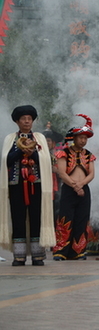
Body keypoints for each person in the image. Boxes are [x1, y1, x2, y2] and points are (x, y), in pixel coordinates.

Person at [0, 105, 55, 266]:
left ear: (32, 121)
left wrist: (33, 153)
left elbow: (46, 160)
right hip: (16, 184)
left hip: (36, 184)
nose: (26, 121)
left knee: (36, 216)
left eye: (29, 119)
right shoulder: (10, 139)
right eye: (23, 119)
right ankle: (19, 256)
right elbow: (6, 161)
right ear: (17, 121)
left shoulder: (40, 138)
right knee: (18, 217)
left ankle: (38, 255)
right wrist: (20, 150)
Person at [53, 115, 96, 261]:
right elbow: (62, 172)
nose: (83, 140)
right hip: (68, 190)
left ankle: (78, 251)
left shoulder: (89, 155)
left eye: (85, 138)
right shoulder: (63, 152)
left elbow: (92, 174)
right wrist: (75, 186)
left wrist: (82, 185)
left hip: (84, 190)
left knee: (82, 220)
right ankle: (61, 251)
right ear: (74, 138)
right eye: (80, 137)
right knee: (65, 219)